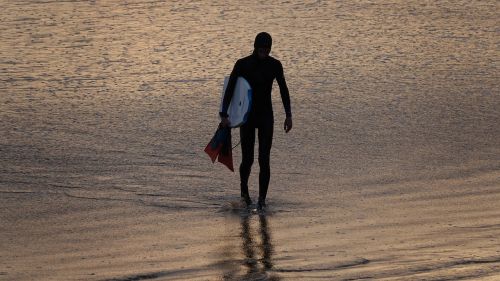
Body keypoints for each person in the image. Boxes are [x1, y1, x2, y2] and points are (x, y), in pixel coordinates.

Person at [220, 32, 292, 210]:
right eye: (261, 48)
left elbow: (283, 89)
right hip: (247, 117)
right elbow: (230, 89)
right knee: (248, 159)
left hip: (266, 116)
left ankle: (261, 200)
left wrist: (288, 114)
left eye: (267, 49)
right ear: (255, 47)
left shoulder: (274, 65)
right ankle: (245, 194)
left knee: (264, 159)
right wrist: (224, 115)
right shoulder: (243, 64)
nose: (264, 52)